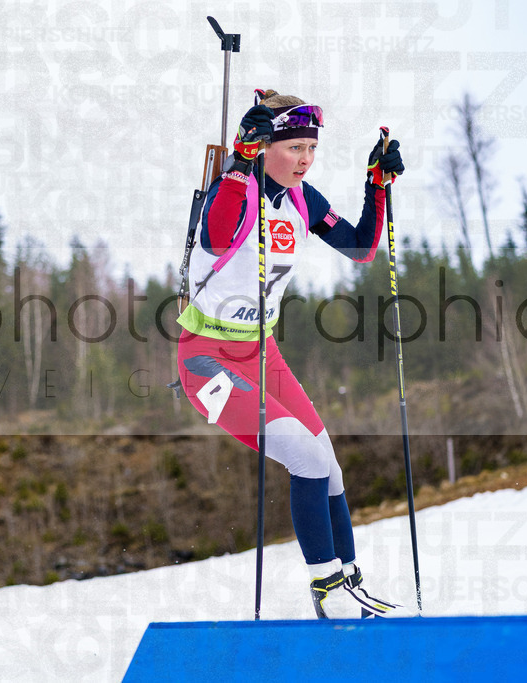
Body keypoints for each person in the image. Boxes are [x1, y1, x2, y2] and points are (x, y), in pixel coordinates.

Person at [176, 89, 411, 619]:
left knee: (328, 464)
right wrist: (242, 160)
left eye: (312, 148)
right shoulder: (234, 188)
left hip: (263, 354)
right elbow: (216, 240)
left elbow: (359, 247)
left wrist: (376, 187)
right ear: (266, 146)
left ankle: (349, 582)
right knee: (305, 457)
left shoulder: (304, 200)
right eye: (295, 147)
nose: (305, 159)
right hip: (207, 360)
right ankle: (325, 588)